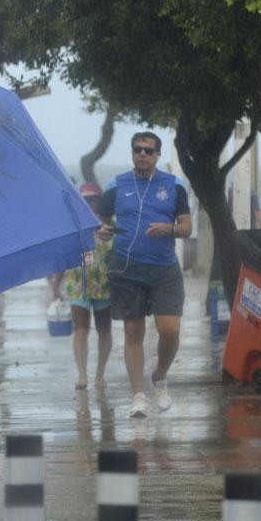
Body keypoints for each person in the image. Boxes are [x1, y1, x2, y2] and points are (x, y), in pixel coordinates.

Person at [99, 132, 192, 418]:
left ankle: (160, 376)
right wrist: (105, 233)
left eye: (148, 150)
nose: (142, 154)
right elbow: (100, 225)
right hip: (127, 268)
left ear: (157, 155)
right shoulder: (116, 185)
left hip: (164, 268)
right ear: (132, 153)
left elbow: (187, 229)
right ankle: (138, 396)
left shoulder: (174, 186)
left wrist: (170, 229)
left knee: (170, 330)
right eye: (137, 149)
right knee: (133, 331)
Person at [52, 181, 113, 390]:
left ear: (100, 201)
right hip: (78, 283)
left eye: (94, 199)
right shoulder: (72, 225)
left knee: (104, 330)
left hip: (104, 284)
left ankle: (100, 374)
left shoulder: (109, 224)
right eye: (86, 199)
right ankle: (82, 375)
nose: (90, 203)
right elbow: (64, 255)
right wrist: (56, 283)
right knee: (81, 329)